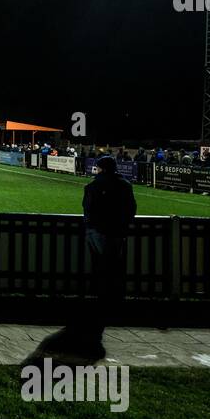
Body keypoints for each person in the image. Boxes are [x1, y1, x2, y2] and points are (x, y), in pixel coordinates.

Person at [78, 154, 137, 359]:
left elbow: (87, 208)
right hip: (117, 232)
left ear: (101, 168)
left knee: (100, 265)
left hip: (97, 231)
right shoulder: (125, 185)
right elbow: (131, 209)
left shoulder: (93, 186)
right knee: (114, 265)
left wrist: (92, 224)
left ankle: (100, 301)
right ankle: (113, 301)